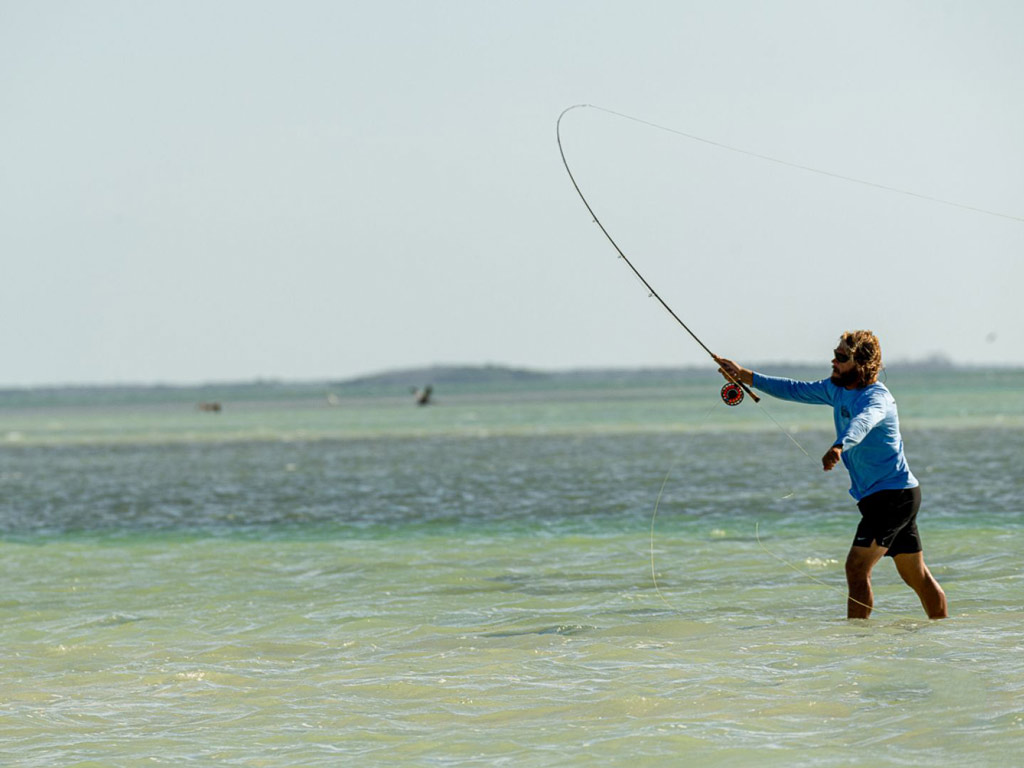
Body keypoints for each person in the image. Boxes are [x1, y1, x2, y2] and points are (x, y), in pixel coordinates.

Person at [713, 331, 948, 619]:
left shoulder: (877, 398)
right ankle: (941, 632)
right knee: (916, 576)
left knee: (857, 567)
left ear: (860, 364)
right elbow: (795, 389)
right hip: (891, 496)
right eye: (834, 354)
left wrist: (840, 445)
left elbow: (864, 422)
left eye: (840, 357)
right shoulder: (836, 389)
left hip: (893, 497)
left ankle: (857, 641)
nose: (833, 361)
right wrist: (746, 376)